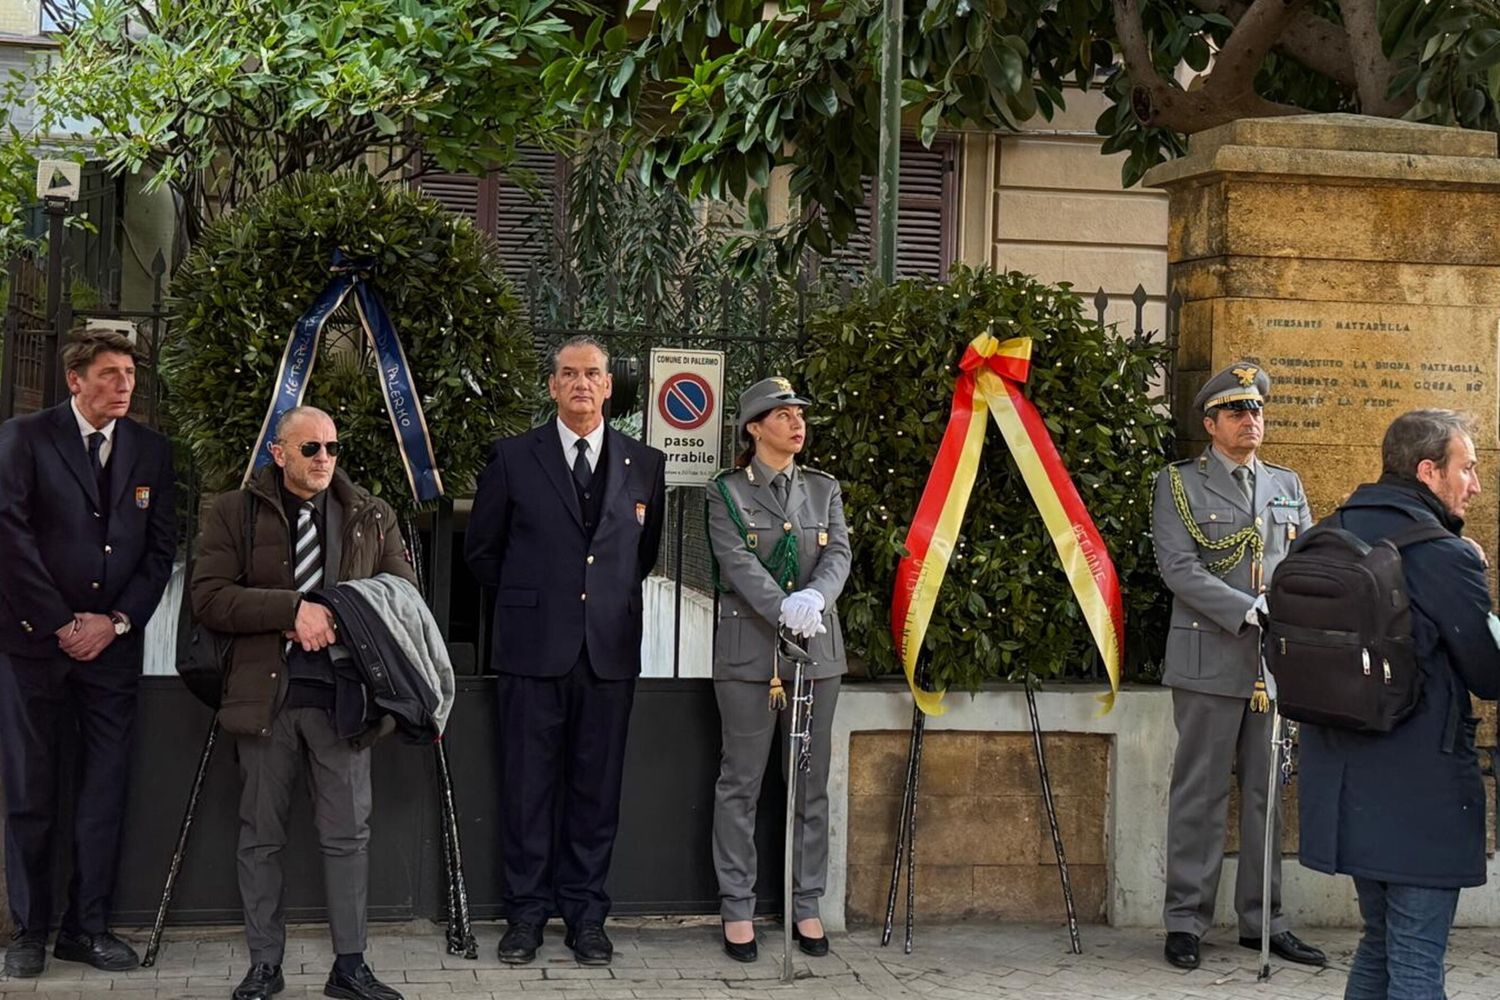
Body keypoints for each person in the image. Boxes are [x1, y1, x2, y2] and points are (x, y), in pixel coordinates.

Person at [191, 405, 414, 1000]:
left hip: (345, 702)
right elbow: (210, 597)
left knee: (349, 837)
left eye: (332, 448)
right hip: (267, 699)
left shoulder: (370, 514)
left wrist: (335, 614)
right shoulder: (233, 513)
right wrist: (291, 610)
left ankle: (350, 966)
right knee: (260, 836)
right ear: (278, 452)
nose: (323, 459)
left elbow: (401, 599)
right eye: (310, 448)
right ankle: (265, 963)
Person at [465, 335, 666, 967]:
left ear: (610, 387)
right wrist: (539, 599)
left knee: (595, 791)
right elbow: (482, 552)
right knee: (526, 790)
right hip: (531, 651)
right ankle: (525, 916)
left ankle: (585, 915)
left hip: (606, 653)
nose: (582, 384)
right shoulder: (512, 458)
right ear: (552, 386)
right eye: (569, 374)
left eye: (594, 375)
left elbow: (643, 553)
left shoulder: (645, 463)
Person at [1298, 409, 1500, 1000]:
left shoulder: (1326, 533)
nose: (1476, 484)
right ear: (1429, 470)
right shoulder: (1444, 555)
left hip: (1343, 783)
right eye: (1468, 468)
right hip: (1420, 794)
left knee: (1381, 944)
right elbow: (1488, 674)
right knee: (1414, 962)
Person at [0, 331, 177, 978]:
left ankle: (88, 928)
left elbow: (160, 550)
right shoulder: (26, 438)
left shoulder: (152, 452)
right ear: (75, 380)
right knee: (32, 789)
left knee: (104, 791)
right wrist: (59, 622)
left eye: (129, 373)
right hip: (32, 647)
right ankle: (30, 931)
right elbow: (9, 536)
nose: (124, 385)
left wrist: (118, 621)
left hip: (112, 650)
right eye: (109, 373)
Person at [1150, 361, 1324, 971]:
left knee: (1265, 795)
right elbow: (1177, 566)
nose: (1251, 421)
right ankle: (1185, 922)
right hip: (1209, 655)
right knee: (1198, 793)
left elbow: (1303, 558)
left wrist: (1293, 603)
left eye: (1256, 411)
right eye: (1237, 412)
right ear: (1210, 423)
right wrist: (1247, 608)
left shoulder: (1286, 482)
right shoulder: (1178, 484)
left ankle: (1263, 922)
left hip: (1271, 663)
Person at [705, 377, 850, 962]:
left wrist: (814, 598)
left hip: (816, 656)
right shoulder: (727, 492)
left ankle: (805, 903)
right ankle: (737, 907)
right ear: (754, 427)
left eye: (799, 414)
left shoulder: (823, 488)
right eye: (782, 414)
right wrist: (782, 606)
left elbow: (838, 551)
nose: (796, 422)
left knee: (809, 787)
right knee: (740, 783)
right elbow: (735, 560)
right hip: (750, 655)